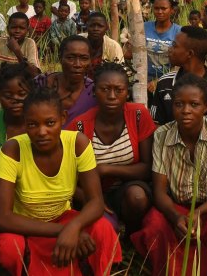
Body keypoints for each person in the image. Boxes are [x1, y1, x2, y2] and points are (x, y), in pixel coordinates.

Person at [0, 88, 122, 276]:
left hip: (62, 217)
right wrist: (63, 231)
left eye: (50, 123)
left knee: (103, 228)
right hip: (24, 226)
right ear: (25, 123)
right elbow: (2, 217)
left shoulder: (77, 143)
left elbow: (96, 202)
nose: (42, 132)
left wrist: (74, 226)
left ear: (63, 118)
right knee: (9, 249)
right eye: (32, 124)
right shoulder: (13, 149)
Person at [131, 74, 207, 276]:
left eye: (194, 104)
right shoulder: (162, 134)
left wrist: (198, 214)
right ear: (172, 106)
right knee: (154, 223)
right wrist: (177, 217)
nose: (186, 110)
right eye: (179, 104)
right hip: (175, 211)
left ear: (206, 107)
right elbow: (159, 192)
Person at [66, 62, 157, 234]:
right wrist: (94, 201)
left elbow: (146, 169)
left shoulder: (138, 115)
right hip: (88, 193)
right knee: (105, 228)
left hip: (127, 188)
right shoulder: (79, 126)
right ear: (94, 92)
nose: (112, 96)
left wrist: (105, 169)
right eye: (105, 89)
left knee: (137, 197)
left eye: (119, 90)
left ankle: (132, 236)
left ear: (127, 93)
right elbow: (67, 179)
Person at [150, 26, 207, 133]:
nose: (170, 49)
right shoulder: (164, 84)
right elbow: (156, 125)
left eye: (174, 45)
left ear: (190, 54)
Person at [0, 12, 41, 111]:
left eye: (22, 28)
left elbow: (35, 75)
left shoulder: (29, 43)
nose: (17, 31)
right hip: (2, 91)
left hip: (24, 92)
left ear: (27, 30)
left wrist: (17, 51)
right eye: (14, 27)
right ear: (8, 29)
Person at [35, 35, 97, 126]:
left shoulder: (94, 92)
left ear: (90, 61)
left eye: (84, 58)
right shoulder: (40, 83)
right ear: (60, 58)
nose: (77, 64)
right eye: (70, 58)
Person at [144, 0, 182, 87]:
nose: (160, 12)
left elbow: (182, 62)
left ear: (172, 10)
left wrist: (158, 82)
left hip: (169, 81)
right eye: (156, 8)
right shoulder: (144, 27)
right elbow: (129, 54)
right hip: (143, 80)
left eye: (164, 8)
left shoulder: (179, 32)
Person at [86, 12, 124, 76]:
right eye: (92, 25)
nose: (96, 29)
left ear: (107, 27)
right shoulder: (78, 41)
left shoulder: (114, 46)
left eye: (100, 26)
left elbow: (120, 72)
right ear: (87, 26)